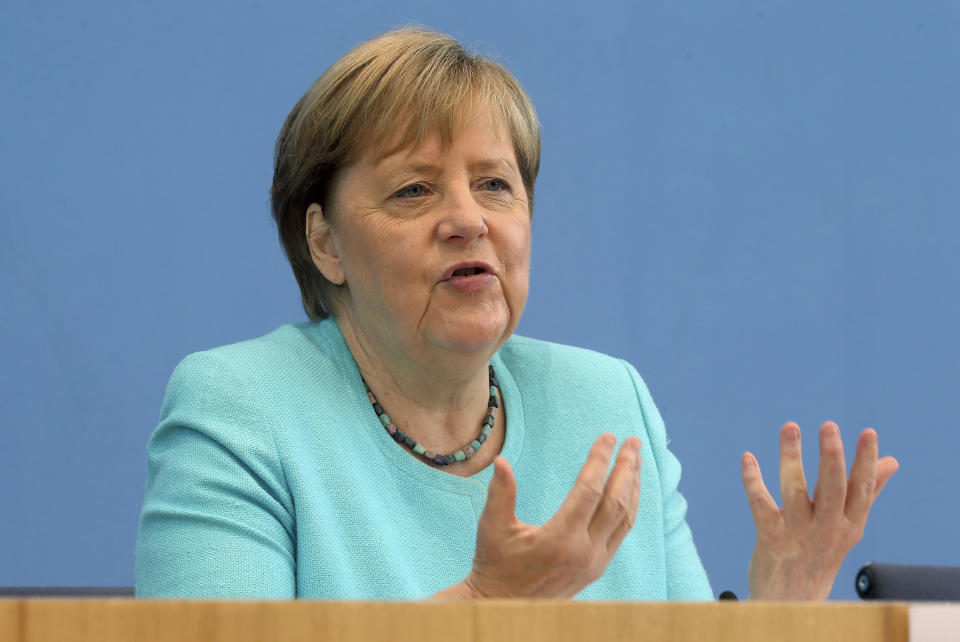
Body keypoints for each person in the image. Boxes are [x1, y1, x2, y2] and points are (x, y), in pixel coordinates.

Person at [134, 27, 898, 600]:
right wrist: (486, 606)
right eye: (414, 190)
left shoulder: (606, 400)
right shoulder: (241, 409)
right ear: (326, 243)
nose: (469, 220)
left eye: (495, 185)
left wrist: (783, 609)